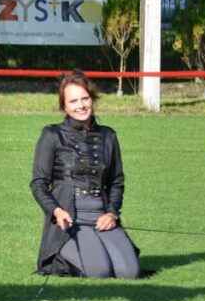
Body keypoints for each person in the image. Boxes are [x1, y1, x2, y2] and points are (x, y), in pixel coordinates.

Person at [30, 70, 140, 278]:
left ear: (92, 99)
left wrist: (112, 213)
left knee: (129, 272)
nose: (80, 106)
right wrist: (56, 211)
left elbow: (116, 181)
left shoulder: (108, 136)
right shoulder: (52, 135)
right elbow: (38, 184)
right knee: (100, 271)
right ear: (64, 106)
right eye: (73, 101)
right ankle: (62, 255)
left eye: (84, 99)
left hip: (101, 217)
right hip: (70, 221)